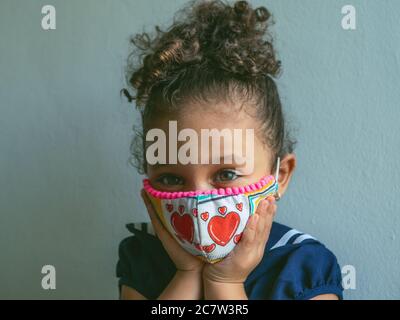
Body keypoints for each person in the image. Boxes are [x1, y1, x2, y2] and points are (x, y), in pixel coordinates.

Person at [116, 0, 343, 300]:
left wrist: (225, 282)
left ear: (281, 176)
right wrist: (187, 275)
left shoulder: (307, 270)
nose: (198, 203)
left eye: (226, 173)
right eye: (172, 178)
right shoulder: (142, 257)